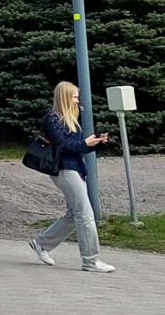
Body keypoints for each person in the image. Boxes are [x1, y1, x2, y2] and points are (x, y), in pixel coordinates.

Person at [29, 82, 115, 273]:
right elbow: (64, 145)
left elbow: (77, 148)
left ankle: (41, 243)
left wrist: (96, 143)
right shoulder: (52, 119)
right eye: (75, 97)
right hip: (64, 170)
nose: (77, 101)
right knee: (85, 213)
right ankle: (90, 260)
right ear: (65, 97)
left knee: (73, 213)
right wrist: (86, 143)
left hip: (74, 168)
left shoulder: (71, 120)